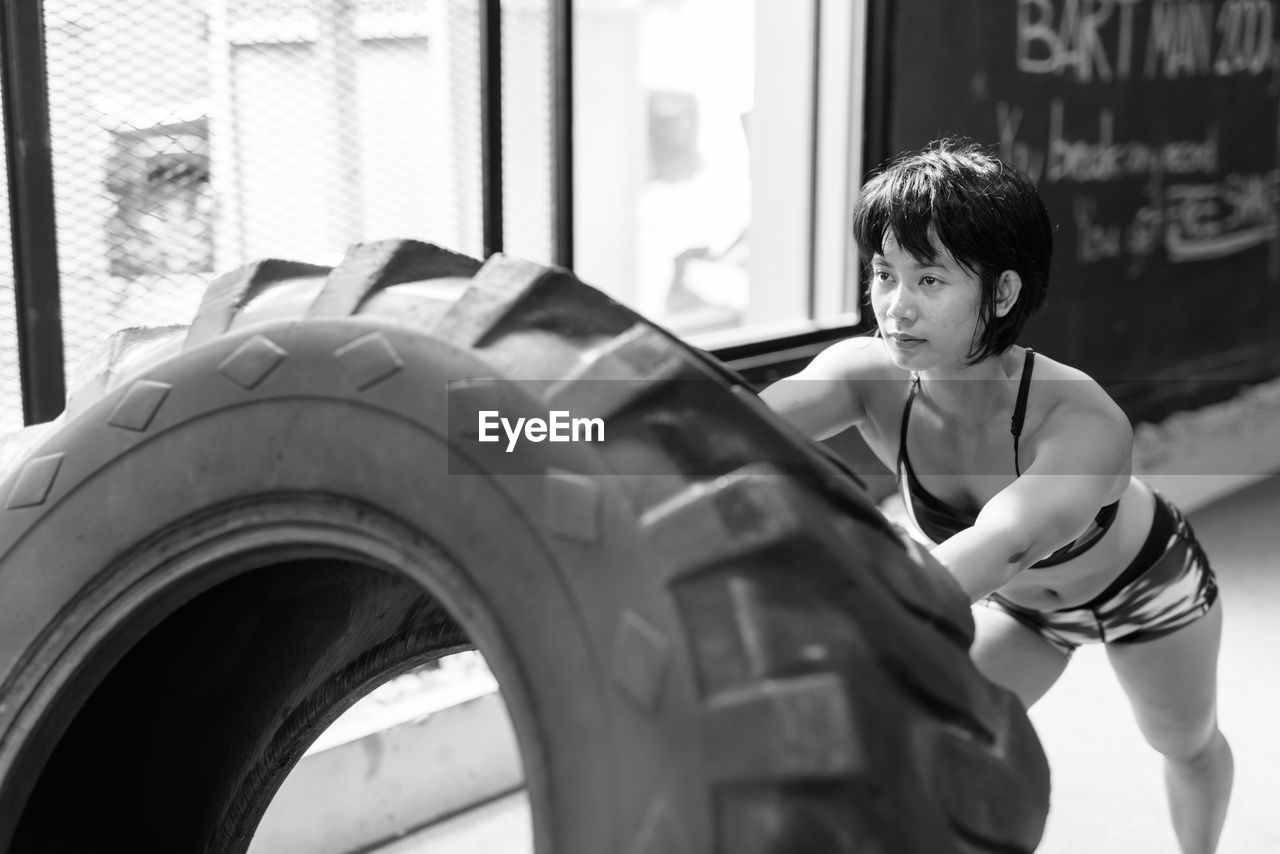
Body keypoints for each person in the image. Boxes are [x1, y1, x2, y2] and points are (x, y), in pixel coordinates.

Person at [760, 138, 1233, 853]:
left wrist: (856, 624)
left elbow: (1006, 540)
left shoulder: (1081, 416)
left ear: (1002, 293)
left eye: (930, 281)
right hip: (1019, 607)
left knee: (1183, 740)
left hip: (1146, 585)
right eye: (884, 274)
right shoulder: (864, 373)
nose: (895, 307)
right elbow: (729, 428)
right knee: (921, 749)